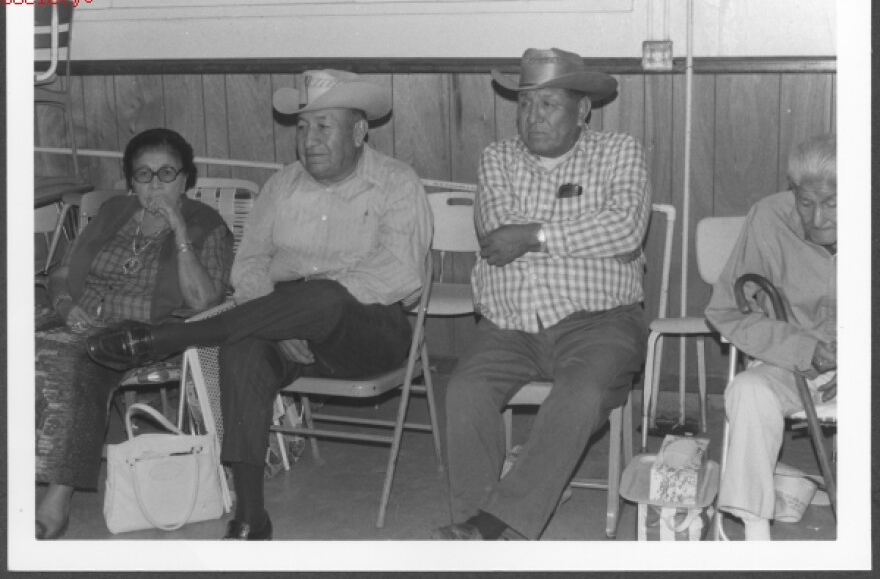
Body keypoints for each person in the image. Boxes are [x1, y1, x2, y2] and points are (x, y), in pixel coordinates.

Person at [87, 70, 433, 540]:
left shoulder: (396, 182)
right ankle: (251, 514)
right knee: (243, 348)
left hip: (369, 329)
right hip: (282, 320)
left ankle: (171, 337)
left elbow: (399, 272)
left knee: (325, 296)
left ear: (358, 131)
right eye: (302, 127)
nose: (309, 140)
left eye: (323, 127)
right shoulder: (282, 185)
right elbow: (248, 266)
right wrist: (280, 320)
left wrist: (304, 309)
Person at [433, 48, 652, 540]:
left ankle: (492, 523)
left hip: (600, 322)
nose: (533, 117)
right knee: (464, 390)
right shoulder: (497, 157)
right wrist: (585, 235)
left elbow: (625, 230)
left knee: (580, 395)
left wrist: (533, 235)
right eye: (525, 104)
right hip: (510, 324)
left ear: (582, 110)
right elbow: (496, 234)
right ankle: (473, 517)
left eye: (548, 104)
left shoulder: (619, 151)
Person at [36, 128, 234, 539]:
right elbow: (59, 273)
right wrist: (66, 305)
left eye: (166, 173)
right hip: (74, 318)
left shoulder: (207, 225)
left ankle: (58, 496)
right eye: (144, 174)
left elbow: (203, 302)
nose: (155, 184)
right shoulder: (113, 212)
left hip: (147, 334)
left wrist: (179, 231)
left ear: (185, 178)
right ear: (131, 181)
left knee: (72, 360)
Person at [705, 134, 837, 541]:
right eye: (806, 202)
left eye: (833, 203)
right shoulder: (768, 218)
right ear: (792, 189)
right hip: (790, 360)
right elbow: (726, 310)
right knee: (748, 390)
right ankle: (754, 533)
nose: (817, 219)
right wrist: (802, 349)